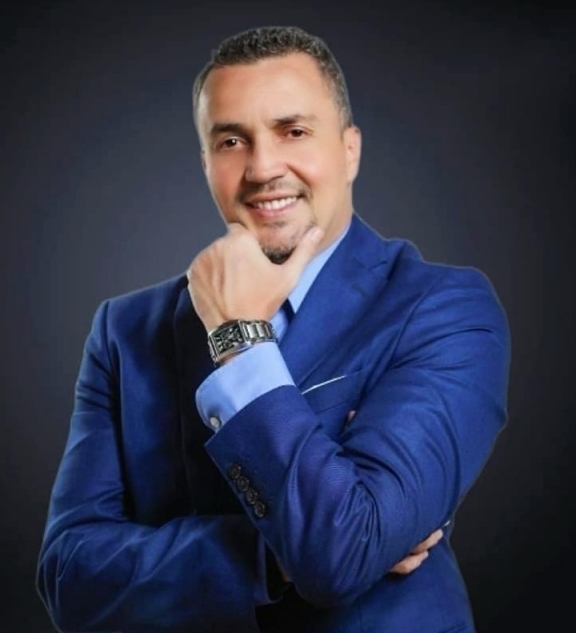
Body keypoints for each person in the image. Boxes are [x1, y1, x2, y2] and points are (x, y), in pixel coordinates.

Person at [36, 25, 510, 633]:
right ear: (206, 163)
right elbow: (70, 581)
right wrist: (275, 557)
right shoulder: (124, 331)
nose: (262, 168)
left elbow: (340, 554)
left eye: (293, 131)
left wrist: (238, 336)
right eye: (232, 140)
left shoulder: (444, 308)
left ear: (349, 150)